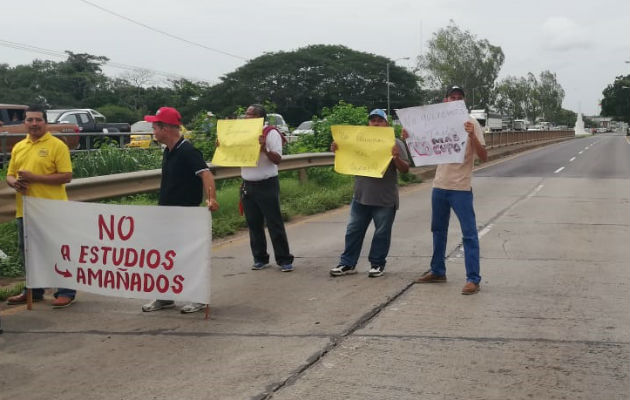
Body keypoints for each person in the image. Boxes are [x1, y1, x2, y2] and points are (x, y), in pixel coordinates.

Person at [140, 107, 220, 313]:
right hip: (167, 214)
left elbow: (206, 175)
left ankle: (198, 298)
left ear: (165, 129)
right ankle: (165, 297)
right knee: (164, 256)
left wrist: (211, 199)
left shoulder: (188, 151)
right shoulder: (168, 151)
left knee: (189, 257)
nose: (153, 131)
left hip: (186, 214)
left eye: (155, 127)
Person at [412, 86, 488, 294]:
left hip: (461, 188)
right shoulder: (436, 123)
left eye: (459, 98)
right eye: (452, 97)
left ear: (464, 102)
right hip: (439, 186)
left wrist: (472, 136)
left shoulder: (471, 123)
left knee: (469, 234)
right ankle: (438, 270)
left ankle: (473, 278)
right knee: (438, 231)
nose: (455, 100)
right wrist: (409, 135)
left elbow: (484, 156)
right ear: (445, 100)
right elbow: (422, 146)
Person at [6, 105, 76, 308]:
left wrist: (33, 178)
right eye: (30, 120)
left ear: (45, 122)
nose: (34, 124)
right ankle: (33, 290)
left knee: (56, 249)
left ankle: (66, 291)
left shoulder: (57, 145)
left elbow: (66, 176)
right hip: (25, 209)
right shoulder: (19, 146)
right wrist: (14, 183)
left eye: (38, 120)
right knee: (27, 250)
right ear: (24, 123)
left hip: (52, 209)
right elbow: (10, 174)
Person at [330, 109, 410, 278]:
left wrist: (396, 157)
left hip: (384, 199)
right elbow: (346, 157)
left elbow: (405, 170)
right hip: (360, 197)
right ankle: (347, 263)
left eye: (379, 121)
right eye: (372, 120)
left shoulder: (395, 143)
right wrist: (337, 149)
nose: (375, 123)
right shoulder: (358, 141)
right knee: (353, 231)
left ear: (386, 124)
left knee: (381, 233)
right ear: (368, 123)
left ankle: (377, 264)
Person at [240, 104, 294, 272]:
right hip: (248, 184)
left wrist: (264, 148)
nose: (246, 117)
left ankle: (284, 259)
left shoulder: (270, 133)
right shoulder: (241, 132)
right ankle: (260, 258)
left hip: (266, 184)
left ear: (259, 117)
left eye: (250, 114)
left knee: (274, 222)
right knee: (253, 224)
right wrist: (223, 145)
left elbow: (277, 159)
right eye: (246, 114)